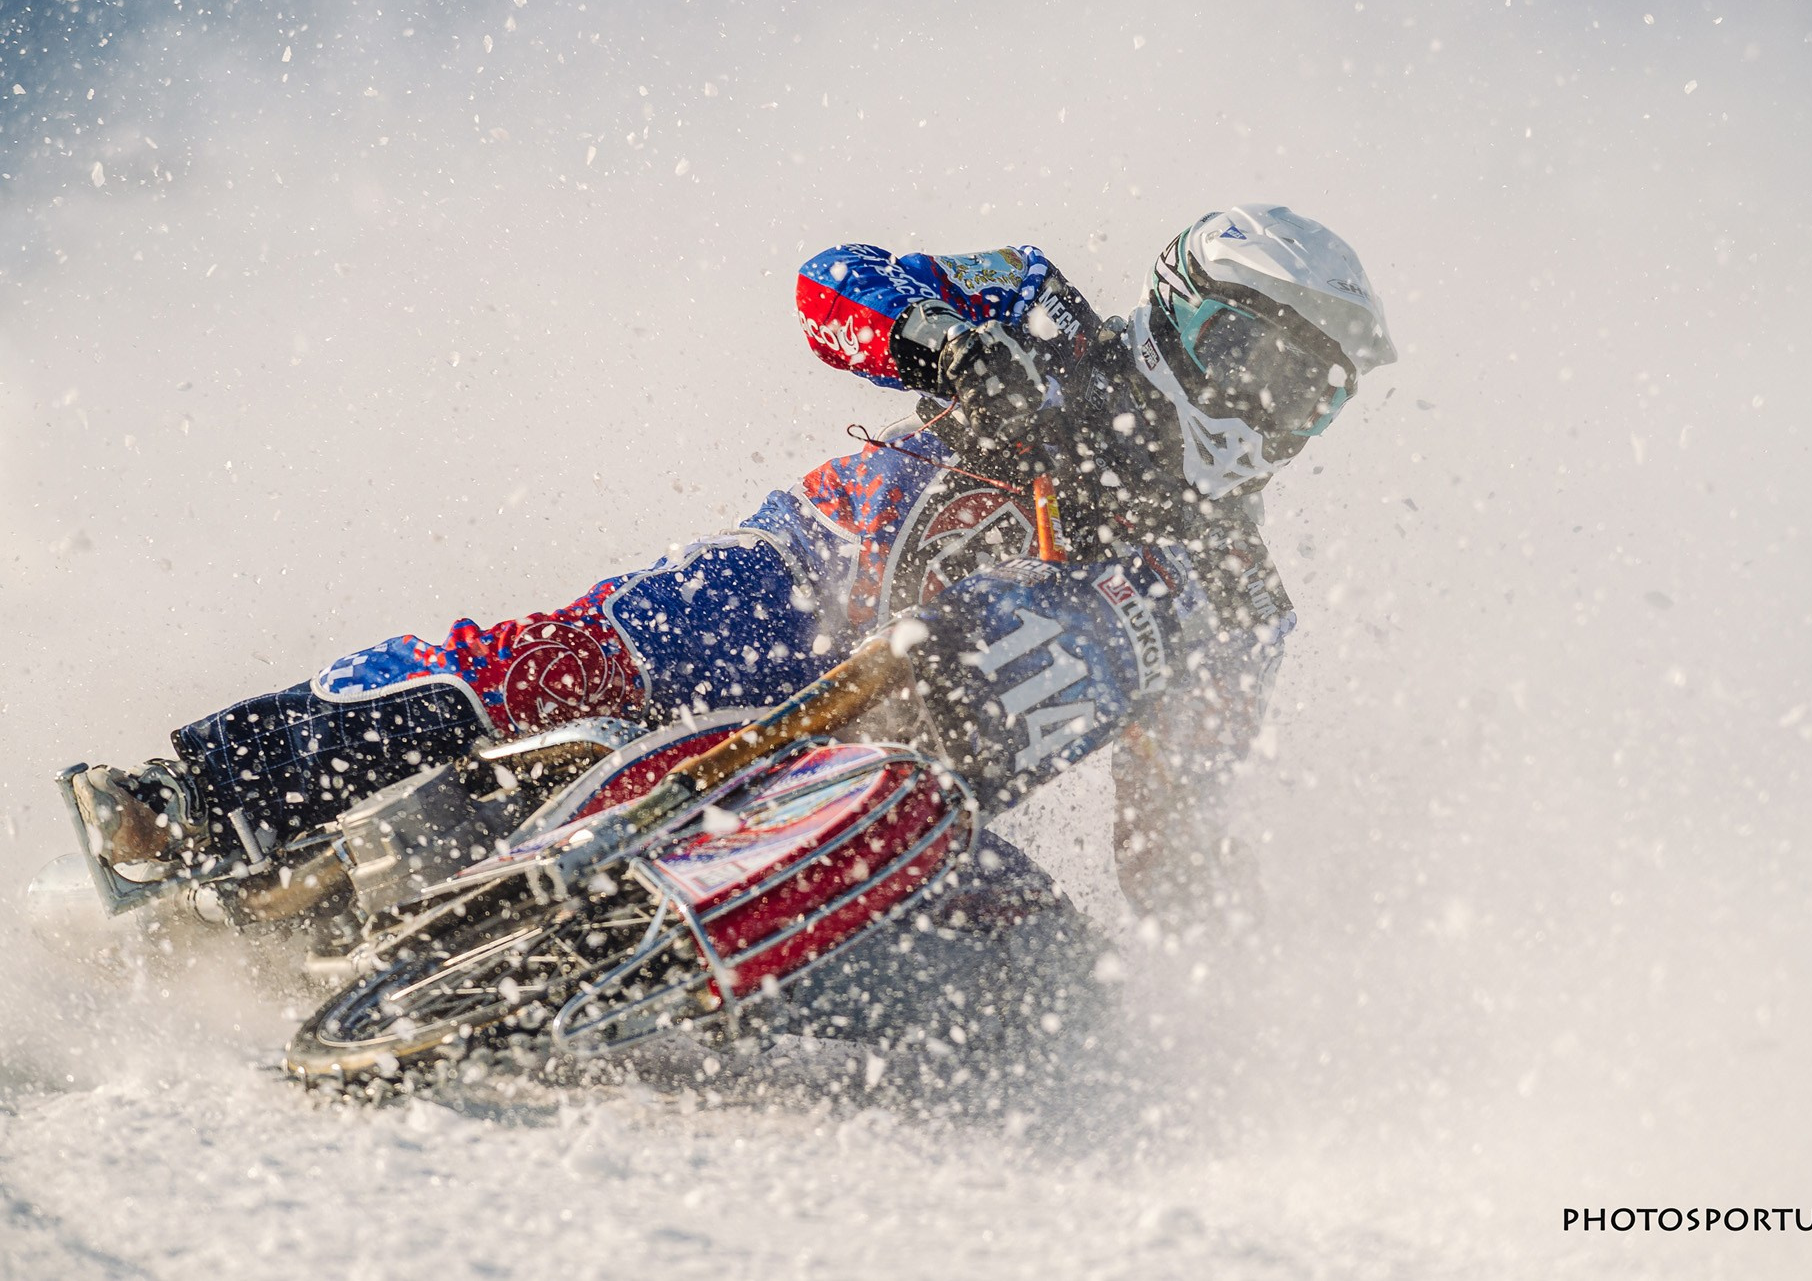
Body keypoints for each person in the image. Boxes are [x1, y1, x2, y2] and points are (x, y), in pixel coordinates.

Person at [66, 204, 1395, 922]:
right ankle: (193, 797)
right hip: (809, 577)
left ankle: (736, 991)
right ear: (1184, 314)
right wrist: (945, 345)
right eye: (1256, 359)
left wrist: (1228, 930)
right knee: (571, 657)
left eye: (1310, 393)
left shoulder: (1235, 601)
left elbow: (1173, 824)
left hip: (926, 748)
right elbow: (838, 280)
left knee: (1042, 958)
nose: (1271, 408)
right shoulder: (1049, 317)